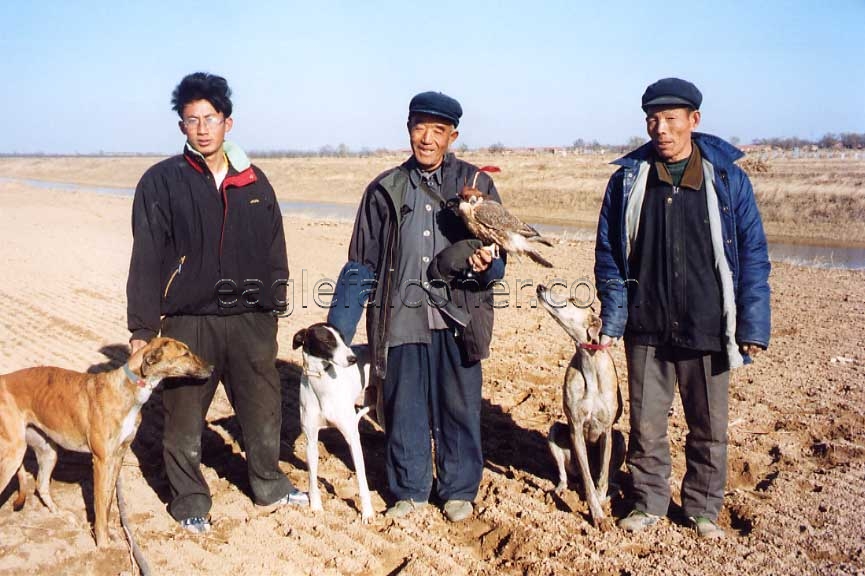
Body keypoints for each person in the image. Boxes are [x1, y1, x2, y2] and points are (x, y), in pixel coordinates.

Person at [126, 72, 307, 534]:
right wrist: (142, 329)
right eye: (192, 120)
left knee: (263, 407)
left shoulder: (254, 181)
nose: (203, 128)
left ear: (229, 122)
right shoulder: (161, 181)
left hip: (250, 320)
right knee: (184, 417)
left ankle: (269, 483)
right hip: (190, 322)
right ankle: (189, 501)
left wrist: (272, 306)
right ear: (182, 126)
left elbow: (274, 247)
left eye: (211, 118)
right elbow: (146, 257)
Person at [594, 78, 771, 539]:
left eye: (672, 119)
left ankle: (702, 509)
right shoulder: (628, 181)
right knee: (645, 425)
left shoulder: (728, 181)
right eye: (653, 120)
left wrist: (752, 322)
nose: (662, 129)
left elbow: (752, 255)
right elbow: (609, 257)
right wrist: (614, 318)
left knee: (709, 428)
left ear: (694, 120)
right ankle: (648, 502)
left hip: (708, 326)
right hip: (646, 325)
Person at [327, 91, 506, 523]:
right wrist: (336, 333)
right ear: (409, 130)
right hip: (400, 317)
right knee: (403, 404)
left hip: (458, 318)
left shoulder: (477, 184)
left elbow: (498, 258)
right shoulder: (384, 189)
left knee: (459, 406)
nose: (427, 139)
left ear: (452, 136)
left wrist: (487, 265)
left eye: (438, 131)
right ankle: (409, 490)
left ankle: (459, 489)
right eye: (419, 128)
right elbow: (360, 264)